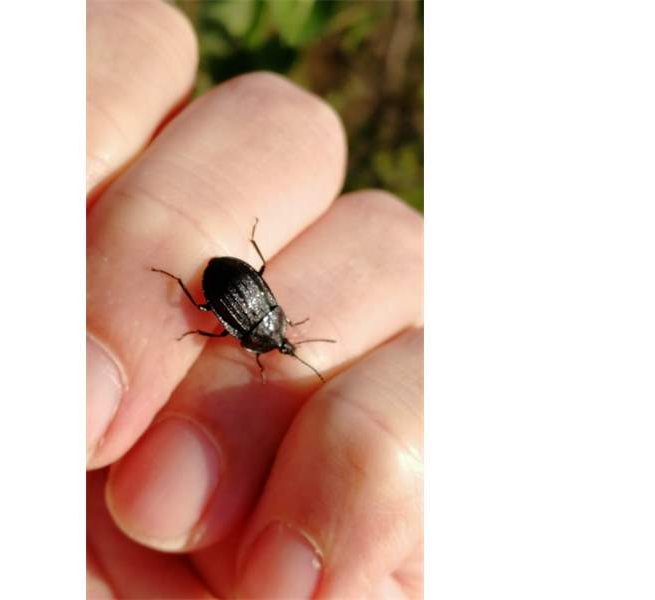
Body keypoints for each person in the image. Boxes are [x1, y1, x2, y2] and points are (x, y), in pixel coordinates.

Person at [86, 2, 423, 598]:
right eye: (284, 342)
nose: (285, 344)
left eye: (282, 344)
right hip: (228, 279)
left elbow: (238, 303)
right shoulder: (257, 334)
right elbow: (231, 315)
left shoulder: (265, 324)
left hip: (231, 280)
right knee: (206, 320)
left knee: (209, 319)